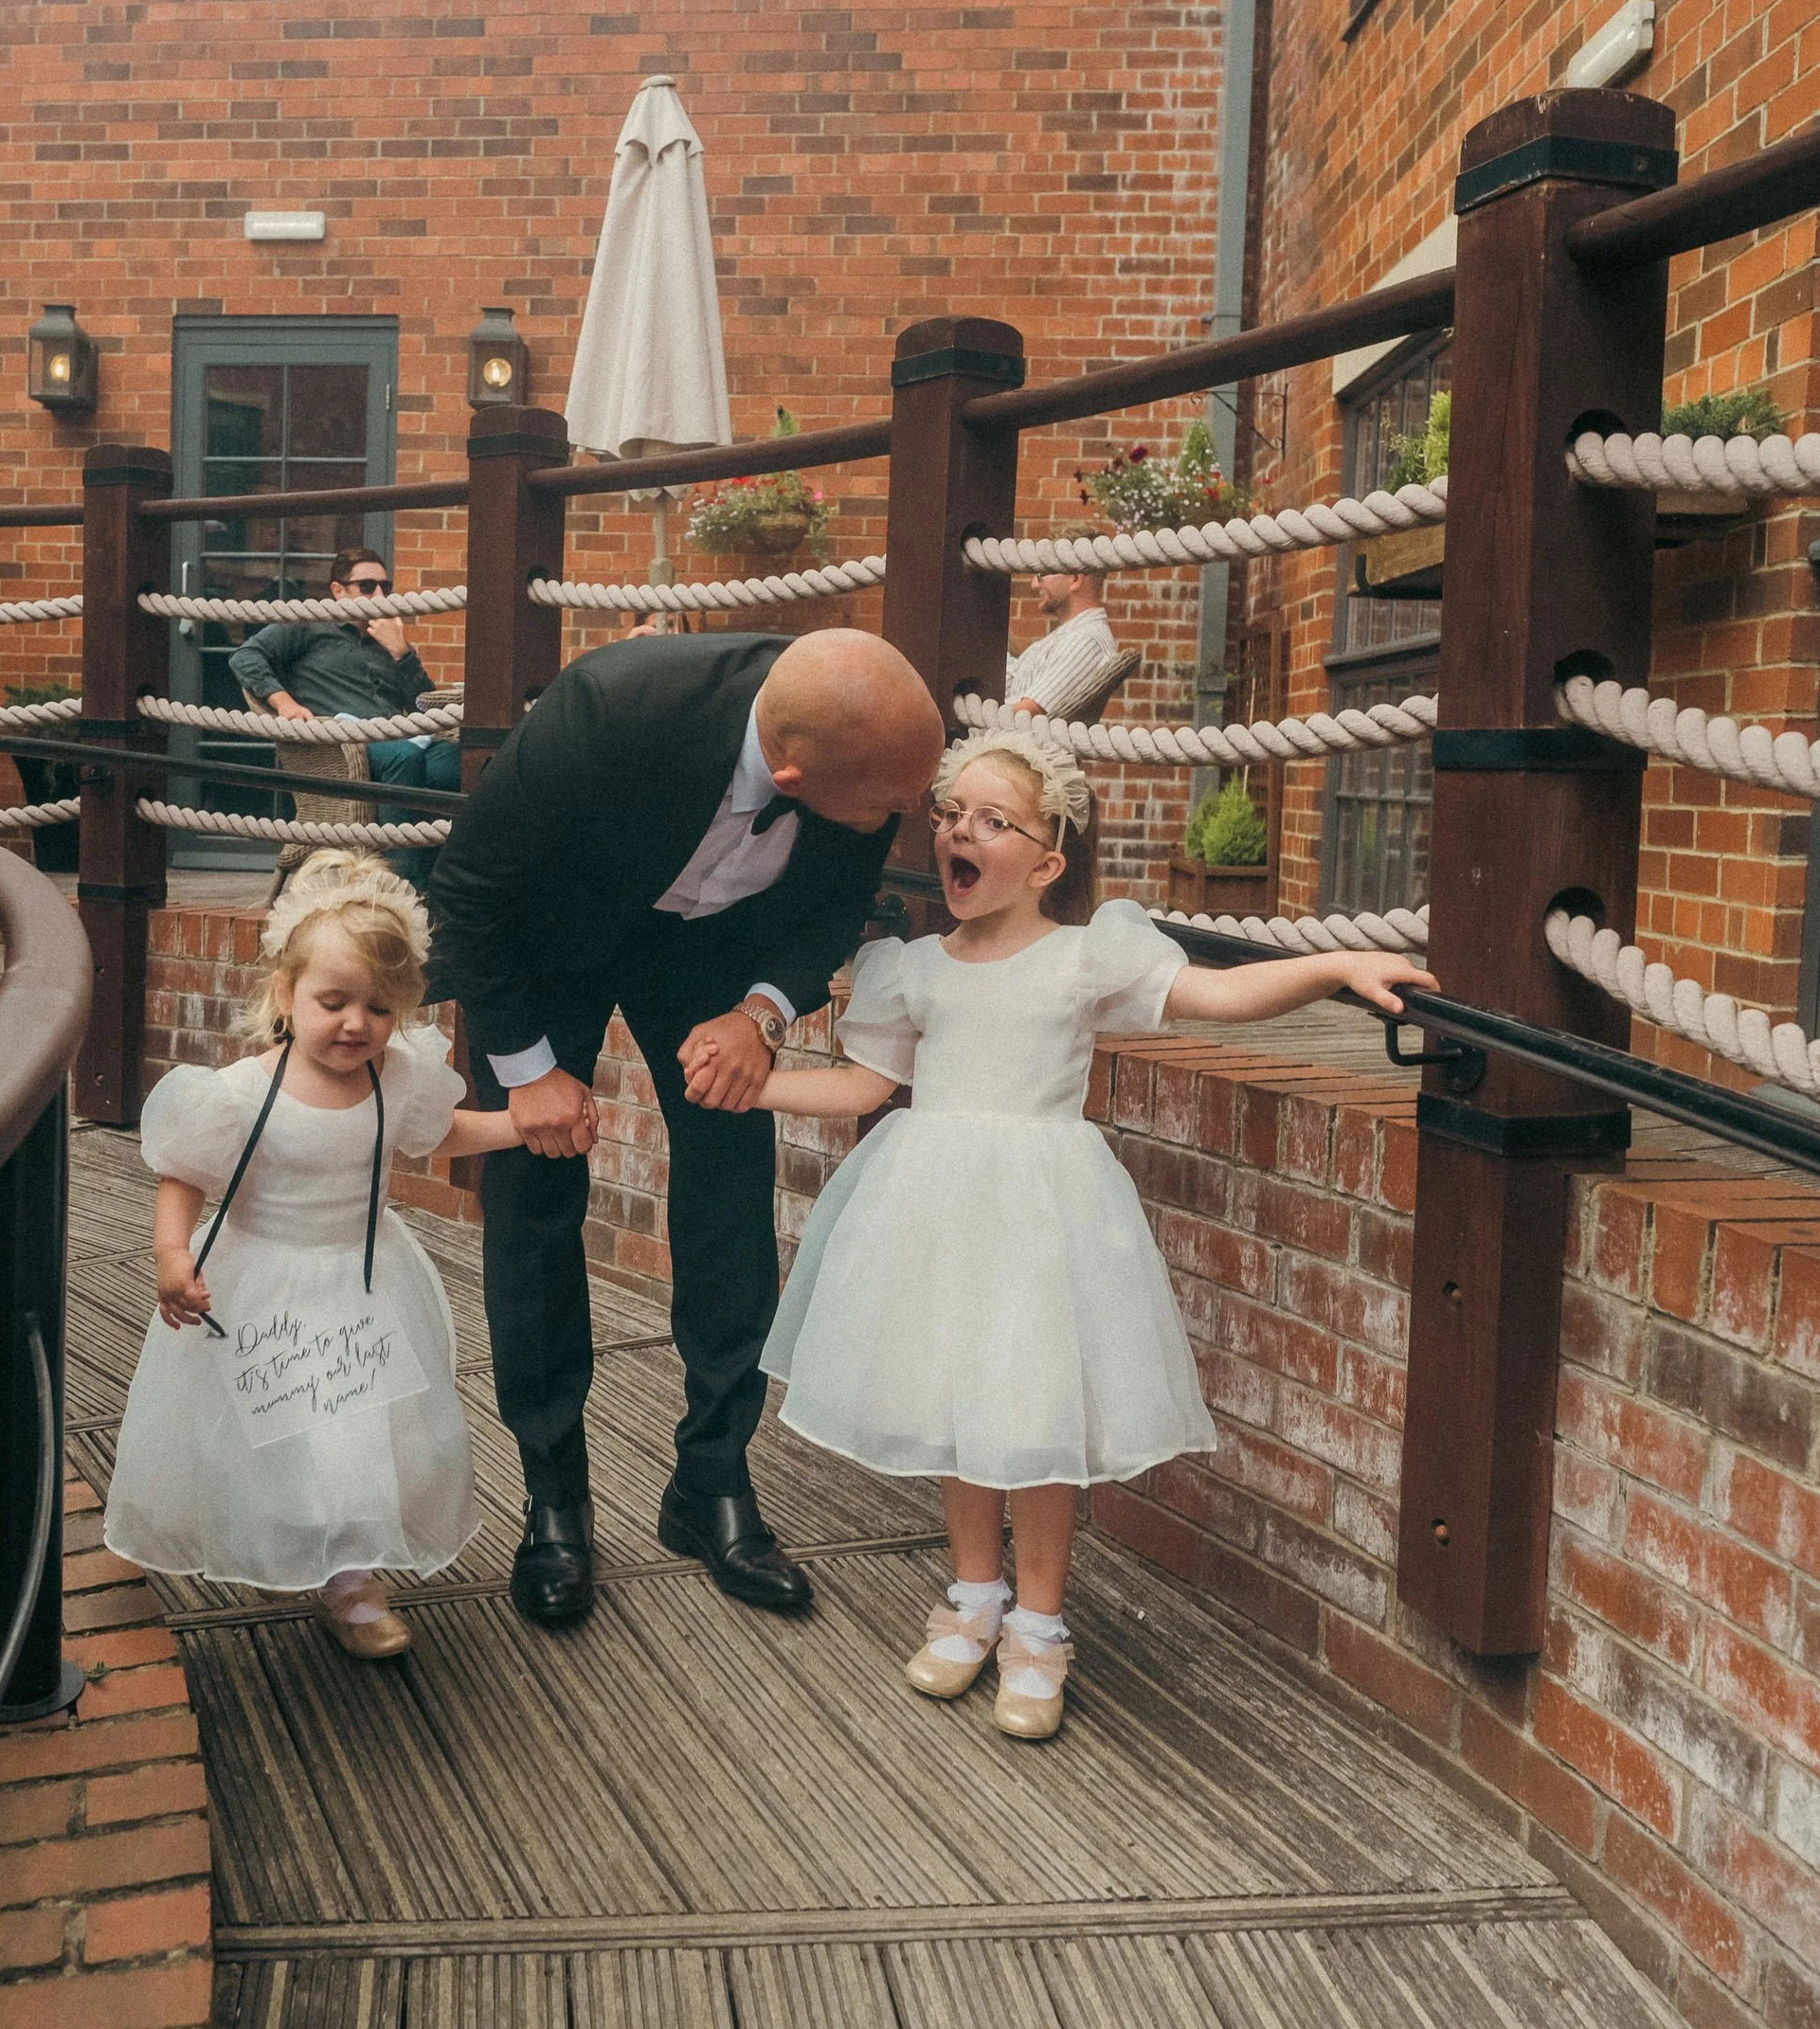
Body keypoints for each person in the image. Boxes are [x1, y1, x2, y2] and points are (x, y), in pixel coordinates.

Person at [757, 734, 1430, 1738]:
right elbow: (864, 1086)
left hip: (1042, 1216)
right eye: (951, 815)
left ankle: (1038, 1626)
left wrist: (1336, 964)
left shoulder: (1084, 957)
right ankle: (973, 1596)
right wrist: (755, 1088)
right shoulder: (913, 970)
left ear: (1046, 864)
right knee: (954, 1395)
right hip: (933, 1207)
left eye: (993, 821)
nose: (960, 832)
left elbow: (1220, 995)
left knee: (1035, 1410)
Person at [431, 626, 946, 1630]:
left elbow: (835, 907)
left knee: (729, 1191)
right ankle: (554, 1500)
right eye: (892, 806)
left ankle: (711, 1484)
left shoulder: (869, 748)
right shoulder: (610, 709)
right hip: (548, 940)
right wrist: (527, 1073)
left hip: (715, 950)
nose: (908, 818)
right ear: (791, 773)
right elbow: (468, 893)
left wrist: (762, 1014)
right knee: (534, 1199)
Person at [104, 853, 515, 1653]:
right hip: (261, 1284)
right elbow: (184, 1176)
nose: (356, 1024)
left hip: (365, 1284)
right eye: (334, 1002)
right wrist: (170, 1252)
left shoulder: (395, 1080)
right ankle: (275, 1542)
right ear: (284, 993)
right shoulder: (240, 1095)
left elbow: (438, 1134)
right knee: (271, 1435)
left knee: (362, 1438)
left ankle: (349, 1581)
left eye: (379, 1008)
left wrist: (519, 1126)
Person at [230, 546, 460, 889]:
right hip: (343, 745)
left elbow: (425, 705)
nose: (379, 595)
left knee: (461, 761)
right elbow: (246, 656)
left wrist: (401, 652)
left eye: (385, 586)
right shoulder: (311, 624)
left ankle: (449, 883)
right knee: (405, 757)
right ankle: (403, 887)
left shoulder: (388, 639)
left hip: (398, 738)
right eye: (367, 587)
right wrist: (284, 703)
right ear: (338, 591)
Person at [1003, 563, 1122, 720]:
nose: (1034, 584)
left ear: (1075, 579)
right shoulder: (1067, 636)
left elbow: (1028, 712)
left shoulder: (1086, 641)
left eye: (1042, 574)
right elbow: (1005, 686)